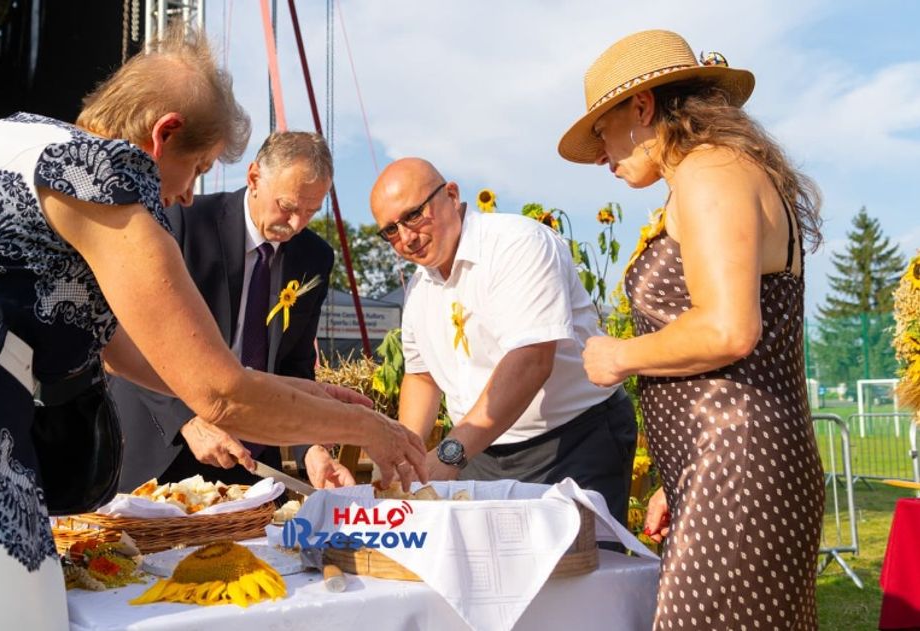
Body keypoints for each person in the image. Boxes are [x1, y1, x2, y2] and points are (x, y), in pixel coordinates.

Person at [0, 27, 426, 631]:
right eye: (196, 168)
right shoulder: (105, 173)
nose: (183, 196)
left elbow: (135, 354)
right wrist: (365, 426)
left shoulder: (0, 136)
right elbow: (218, 393)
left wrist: (318, 401)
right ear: (162, 134)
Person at [561, 29, 825, 630]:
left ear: (642, 106)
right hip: (722, 464)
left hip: (737, 463)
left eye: (601, 131)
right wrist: (678, 479)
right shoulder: (710, 172)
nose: (602, 154)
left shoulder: (711, 169)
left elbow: (730, 329)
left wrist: (619, 356)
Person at [369, 157, 637, 526]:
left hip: (572, 444)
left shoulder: (517, 244)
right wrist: (407, 456)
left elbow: (531, 360)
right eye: (391, 231)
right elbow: (421, 376)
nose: (407, 238)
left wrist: (448, 454)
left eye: (414, 215)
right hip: (478, 454)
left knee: (576, 575)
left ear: (451, 194)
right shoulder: (419, 286)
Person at [110, 131, 356, 490]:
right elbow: (134, 335)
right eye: (287, 207)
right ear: (254, 177)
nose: (297, 224)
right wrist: (188, 419)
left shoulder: (313, 256)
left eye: (311, 211)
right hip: (160, 445)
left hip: (251, 459)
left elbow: (294, 365)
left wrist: (311, 446)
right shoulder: (184, 220)